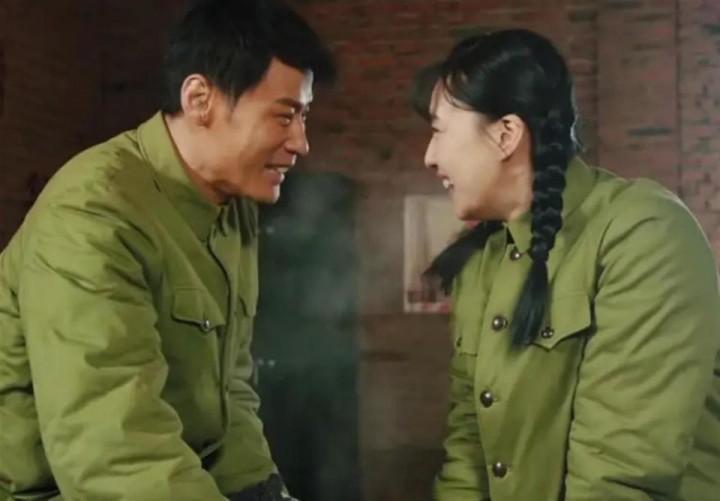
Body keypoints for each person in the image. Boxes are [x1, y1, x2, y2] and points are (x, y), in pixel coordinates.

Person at [0, 0, 335, 499]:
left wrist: (264, 490)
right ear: (200, 99)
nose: (301, 143)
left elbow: (229, 393)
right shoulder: (93, 213)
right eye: (284, 116)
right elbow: (112, 452)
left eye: (303, 116)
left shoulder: (232, 206)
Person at [411, 29, 720, 501]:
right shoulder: (481, 263)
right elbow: (467, 459)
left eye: (438, 131)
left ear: (506, 134)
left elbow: (618, 478)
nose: (430, 157)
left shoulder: (643, 232)